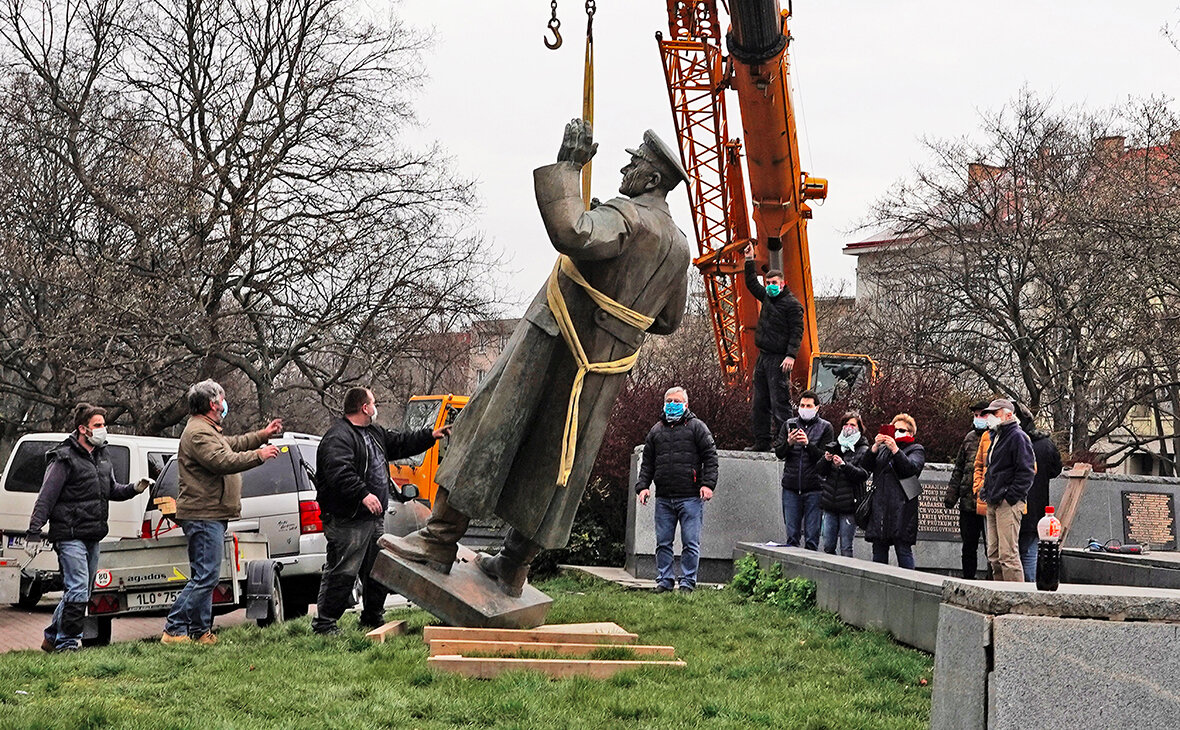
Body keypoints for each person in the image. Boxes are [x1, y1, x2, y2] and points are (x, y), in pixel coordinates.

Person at [381, 120, 691, 600]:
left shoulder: (628, 217)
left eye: (635, 164)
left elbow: (573, 232)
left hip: (553, 340)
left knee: (485, 429)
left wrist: (569, 165)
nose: (626, 168)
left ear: (652, 181)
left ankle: (439, 540)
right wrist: (617, 315)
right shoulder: (678, 246)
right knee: (559, 462)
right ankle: (512, 565)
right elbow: (669, 321)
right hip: (602, 372)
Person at [312, 387, 449, 635]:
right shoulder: (338, 438)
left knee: (378, 570)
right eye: (373, 402)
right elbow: (339, 473)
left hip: (373, 518)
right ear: (364, 407)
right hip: (348, 519)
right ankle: (325, 623)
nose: (376, 407)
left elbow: (400, 443)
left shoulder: (374, 433)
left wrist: (430, 435)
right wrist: (363, 494)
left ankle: (372, 616)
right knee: (343, 570)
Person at [162, 380, 283, 644]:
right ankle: (174, 629)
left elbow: (233, 444)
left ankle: (200, 631)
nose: (224, 403)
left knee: (203, 576)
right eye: (222, 398)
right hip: (203, 514)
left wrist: (262, 435)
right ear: (212, 404)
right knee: (207, 577)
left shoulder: (207, 430)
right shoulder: (198, 433)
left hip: (210, 514)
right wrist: (259, 456)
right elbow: (223, 461)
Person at [25, 404, 151, 652]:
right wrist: (33, 531)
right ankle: (67, 644)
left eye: (104, 425)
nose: (103, 429)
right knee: (78, 588)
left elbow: (111, 490)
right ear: (82, 429)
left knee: (83, 589)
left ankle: (52, 636)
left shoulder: (102, 455)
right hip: (69, 534)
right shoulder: (63, 458)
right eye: (98, 425)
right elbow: (46, 497)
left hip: (93, 533)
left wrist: (134, 488)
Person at [635, 386, 719, 593]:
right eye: (669, 401)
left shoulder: (697, 427)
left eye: (677, 401)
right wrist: (642, 487)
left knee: (690, 543)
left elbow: (711, 457)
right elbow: (647, 463)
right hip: (664, 498)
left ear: (686, 405)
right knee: (663, 543)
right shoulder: (655, 431)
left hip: (690, 497)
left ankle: (687, 583)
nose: (672, 405)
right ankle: (664, 580)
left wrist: (707, 484)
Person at [742, 244, 805, 451]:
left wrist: (791, 355)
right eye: (768, 282)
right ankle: (762, 442)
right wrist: (749, 260)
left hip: (780, 359)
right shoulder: (768, 298)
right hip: (764, 356)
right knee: (759, 403)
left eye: (774, 282)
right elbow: (751, 284)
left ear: (783, 283)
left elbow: (797, 332)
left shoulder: (792, 305)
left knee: (780, 404)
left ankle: (785, 444)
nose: (770, 286)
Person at [977, 398, 1035, 582]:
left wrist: (1010, 497)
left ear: (1008, 415)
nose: (990, 417)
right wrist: (986, 490)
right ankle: (1000, 595)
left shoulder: (1017, 436)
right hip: (995, 499)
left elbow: (1026, 472)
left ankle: (1017, 599)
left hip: (1007, 503)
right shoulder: (997, 436)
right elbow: (992, 468)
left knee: (1008, 555)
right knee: (994, 555)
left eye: (995, 413)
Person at [863, 414, 926, 569]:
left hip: (903, 507)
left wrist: (896, 450)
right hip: (881, 507)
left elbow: (911, 469)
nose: (897, 432)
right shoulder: (883, 450)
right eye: (894, 429)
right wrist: (875, 447)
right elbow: (866, 465)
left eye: (901, 430)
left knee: (903, 549)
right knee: (879, 549)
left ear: (910, 433)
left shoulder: (916, 449)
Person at [773, 390, 833, 550]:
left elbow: (824, 458)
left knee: (812, 536)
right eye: (802, 405)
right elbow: (779, 452)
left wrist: (807, 444)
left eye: (808, 405)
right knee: (792, 536)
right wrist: (789, 442)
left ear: (817, 408)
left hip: (814, 488)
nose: (804, 408)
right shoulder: (788, 424)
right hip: (791, 486)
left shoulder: (825, 427)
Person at [943, 401, 991, 579]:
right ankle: (968, 578)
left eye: (982, 415)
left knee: (991, 547)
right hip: (967, 502)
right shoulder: (969, 438)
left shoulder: (995, 436)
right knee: (968, 546)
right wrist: (951, 495)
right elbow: (959, 468)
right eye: (976, 415)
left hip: (986, 502)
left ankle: (990, 581)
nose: (978, 418)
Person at [1017, 405, 1062, 582]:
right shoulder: (1046, 445)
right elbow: (1055, 469)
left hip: (1015, 503)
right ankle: (1032, 585)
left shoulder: (1013, 441)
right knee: (1030, 552)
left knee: (1014, 553)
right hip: (1037, 508)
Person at [817, 412, 870, 557]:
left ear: (859, 428)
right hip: (830, 504)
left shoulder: (863, 450)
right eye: (846, 424)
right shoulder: (836, 445)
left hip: (849, 506)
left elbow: (863, 475)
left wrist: (844, 465)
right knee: (828, 545)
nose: (848, 427)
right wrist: (826, 460)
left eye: (852, 425)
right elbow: (821, 471)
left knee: (846, 547)